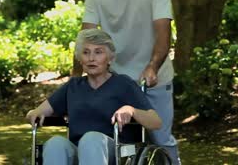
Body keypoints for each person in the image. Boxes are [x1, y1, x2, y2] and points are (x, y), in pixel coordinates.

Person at [82, 0, 180, 164]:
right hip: (114, 78)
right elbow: (86, 36)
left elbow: (164, 32)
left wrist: (152, 66)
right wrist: (78, 79)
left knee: (161, 138)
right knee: (118, 140)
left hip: (153, 77)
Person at [26, 28, 162, 165]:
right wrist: (34, 113)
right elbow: (35, 113)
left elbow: (155, 122)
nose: (91, 58)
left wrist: (131, 110)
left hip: (117, 151)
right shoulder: (73, 86)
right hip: (78, 151)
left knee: (91, 140)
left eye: (98, 52)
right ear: (80, 59)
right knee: (55, 143)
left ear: (110, 59)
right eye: (86, 52)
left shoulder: (123, 84)